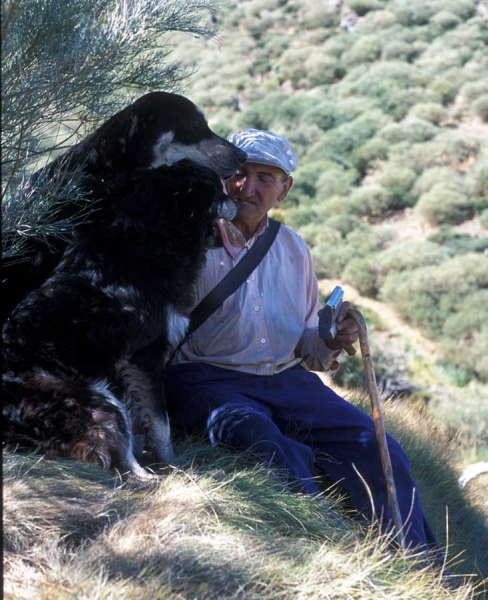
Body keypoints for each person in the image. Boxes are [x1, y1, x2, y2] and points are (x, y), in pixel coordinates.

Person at [164, 128, 442, 560]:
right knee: (262, 440)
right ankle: (328, 554)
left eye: (265, 178)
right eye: (239, 173)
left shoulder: (292, 248)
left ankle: (420, 565)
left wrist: (332, 337)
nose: (247, 187)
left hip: (287, 381)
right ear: (221, 175)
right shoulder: (185, 240)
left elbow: (308, 347)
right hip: (205, 379)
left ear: (285, 188)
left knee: (375, 443)